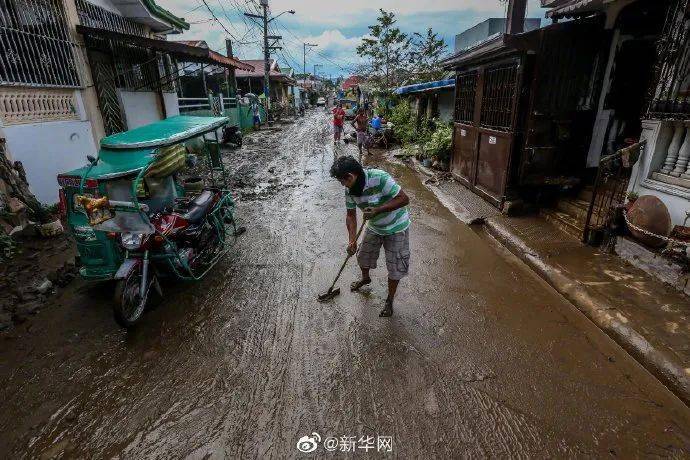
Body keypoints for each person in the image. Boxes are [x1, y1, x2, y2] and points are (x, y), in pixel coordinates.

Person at [330, 156, 411, 317]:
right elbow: (351, 215)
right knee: (363, 257)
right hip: (374, 227)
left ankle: (389, 300)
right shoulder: (349, 190)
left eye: (342, 180)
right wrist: (352, 240)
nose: (342, 185)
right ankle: (365, 279)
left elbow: (404, 198)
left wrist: (378, 210)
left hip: (396, 226)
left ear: (351, 176)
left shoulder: (380, 178)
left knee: (395, 267)